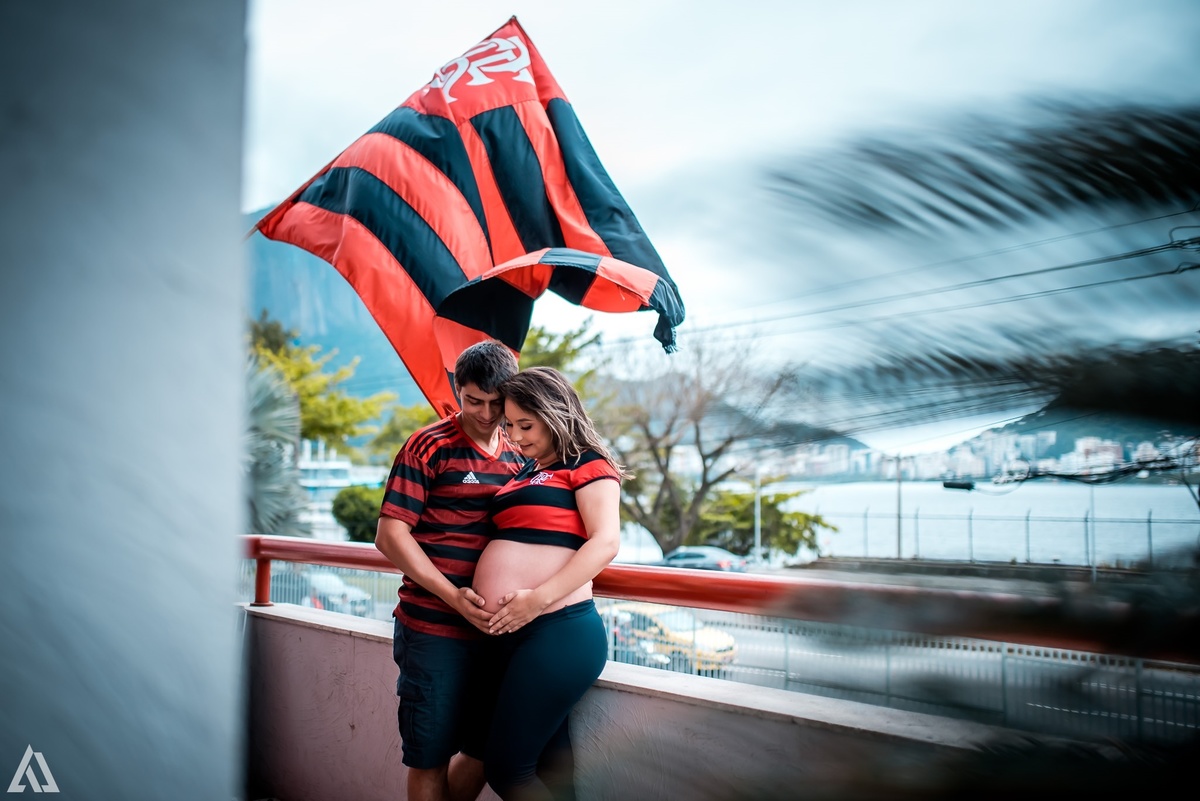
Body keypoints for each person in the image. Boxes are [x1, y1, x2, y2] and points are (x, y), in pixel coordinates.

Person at [375, 340, 524, 801]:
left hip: (497, 633)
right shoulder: (429, 445)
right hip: (432, 629)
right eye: (472, 400)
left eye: (495, 403)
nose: (484, 413)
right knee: (430, 757)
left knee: (484, 753)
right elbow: (390, 535)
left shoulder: (521, 453)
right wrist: (451, 594)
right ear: (457, 389)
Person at [473, 366, 624, 801]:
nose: (516, 437)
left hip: (557, 628)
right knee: (550, 766)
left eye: (526, 425)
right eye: (509, 426)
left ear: (555, 414)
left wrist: (535, 600)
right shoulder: (526, 471)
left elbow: (605, 543)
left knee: (508, 771)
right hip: (510, 632)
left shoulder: (589, 465)